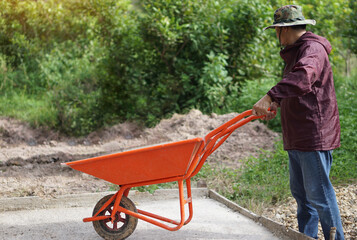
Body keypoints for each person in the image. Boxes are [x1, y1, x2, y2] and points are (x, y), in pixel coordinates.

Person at [252, 5, 345, 240]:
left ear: (283, 30)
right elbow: (302, 90)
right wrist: (277, 103)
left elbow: (303, 78)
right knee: (304, 197)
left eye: (276, 30)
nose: (276, 35)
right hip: (298, 134)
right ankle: (307, 237)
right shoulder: (298, 50)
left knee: (320, 196)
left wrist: (271, 95)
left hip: (312, 134)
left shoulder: (312, 49)